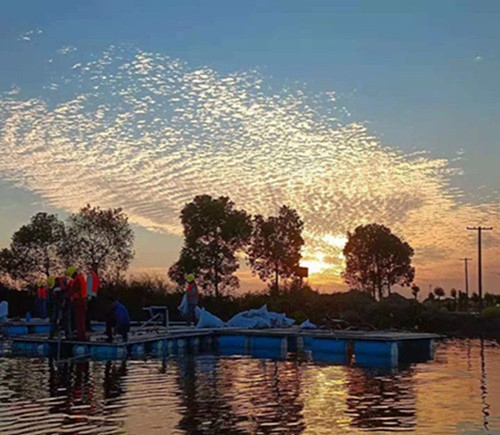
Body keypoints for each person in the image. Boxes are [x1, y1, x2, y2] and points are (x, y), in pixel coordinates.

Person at [68, 266, 87, 341]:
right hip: (82, 300)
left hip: (79, 301)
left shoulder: (77, 280)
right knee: (81, 319)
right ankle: (81, 334)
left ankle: (81, 336)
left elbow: (74, 290)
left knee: (79, 319)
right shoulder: (80, 277)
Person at [86, 265, 100, 332]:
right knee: (89, 311)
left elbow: (90, 286)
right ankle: (88, 326)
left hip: (91, 295)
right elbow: (91, 286)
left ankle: (88, 326)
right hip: (92, 295)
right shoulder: (93, 276)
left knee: (89, 311)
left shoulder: (92, 275)